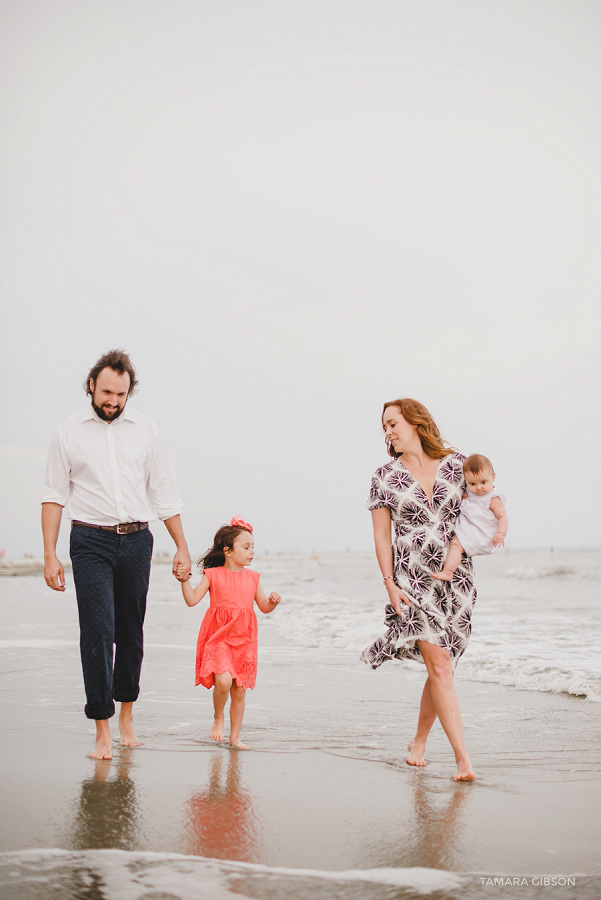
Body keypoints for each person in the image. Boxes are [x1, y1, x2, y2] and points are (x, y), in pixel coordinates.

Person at [41, 349, 191, 760]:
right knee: (97, 633)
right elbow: (54, 496)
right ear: (91, 385)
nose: (113, 400)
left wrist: (181, 544)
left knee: (130, 634)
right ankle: (102, 729)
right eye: (107, 392)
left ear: (129, 392)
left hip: (138, 540)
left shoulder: (147, 430)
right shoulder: (67, 432)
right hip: (89, 541)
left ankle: (126, 716)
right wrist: (50, 555)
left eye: (121, 394)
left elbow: (164, 491)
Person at [360, 398, 477, 781]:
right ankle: (463, 759)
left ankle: (419, 741)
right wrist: (389, 583)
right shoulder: (383, 476)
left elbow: (484, 504)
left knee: (442, 665)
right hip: (411, 576)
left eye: (393, 423)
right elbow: (381, 536)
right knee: (440, 664)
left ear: (415, 422)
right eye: (384, 427)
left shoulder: (458, 463)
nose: (388, 432)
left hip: (455, 577)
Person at [177, 516, 281, 749]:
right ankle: (218, 717)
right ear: (228, 551)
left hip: (244, 640)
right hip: (219, 638)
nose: (252, 551)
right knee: (223, 680)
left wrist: (272, 603)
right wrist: (184, 581)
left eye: (253, 547)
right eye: (246, 547)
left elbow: (263, 606)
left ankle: (234, 737)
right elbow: (193, 600)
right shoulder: (213, 575)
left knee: (240, 690)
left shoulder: (253, 578)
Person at [433, 453, 508, 581]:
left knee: (456, 545)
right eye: (472, 484)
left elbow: (502, 517)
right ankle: (449, 571)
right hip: (469, 528)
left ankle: (448, 572)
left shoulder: (493, 498)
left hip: (482, 533)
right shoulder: (469, 493)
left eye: (483, 482)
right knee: (456, 545)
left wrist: (501, 533)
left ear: (493, 477)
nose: (478, 488)